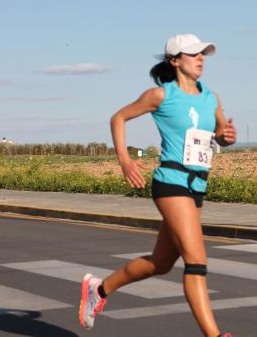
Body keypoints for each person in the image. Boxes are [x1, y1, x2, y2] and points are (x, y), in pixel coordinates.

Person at [79, 34, 237, 337]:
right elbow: (119, 118)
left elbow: (219, 135)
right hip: (171, 182)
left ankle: (99, 290)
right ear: (174, 61)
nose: (200, 58)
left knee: (161, 263)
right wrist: (125, 161)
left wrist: (226, 138)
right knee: (196, 261)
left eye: (203, 53)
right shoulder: (161, 95)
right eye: (193, 54)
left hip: (197, 186)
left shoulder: (211, 98)